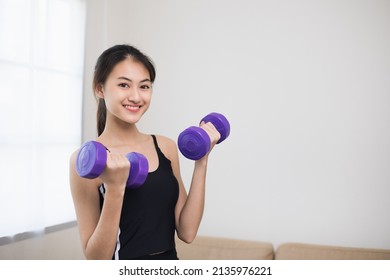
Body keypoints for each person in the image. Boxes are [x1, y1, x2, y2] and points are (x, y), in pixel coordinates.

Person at [69, 44, 220, 260]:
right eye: (123, 85)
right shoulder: (84, 161)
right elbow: (96, 259)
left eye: (144, 86)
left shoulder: (165, 147)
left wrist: (202, 161)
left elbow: (187, 232)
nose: (136, 97)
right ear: (100, 89)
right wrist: (114, 187)